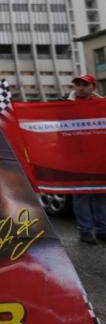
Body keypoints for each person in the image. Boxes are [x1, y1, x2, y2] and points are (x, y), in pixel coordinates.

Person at [66, 73, 106, 244]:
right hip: (77, 158)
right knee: (81, 195)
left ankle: (102, 229)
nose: (81, 88)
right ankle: (85, 230)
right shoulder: (65, 106)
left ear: (93, 87)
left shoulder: (102, 105)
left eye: (85, 84)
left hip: (100, 157)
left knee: (101, 193)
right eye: (78, 84)